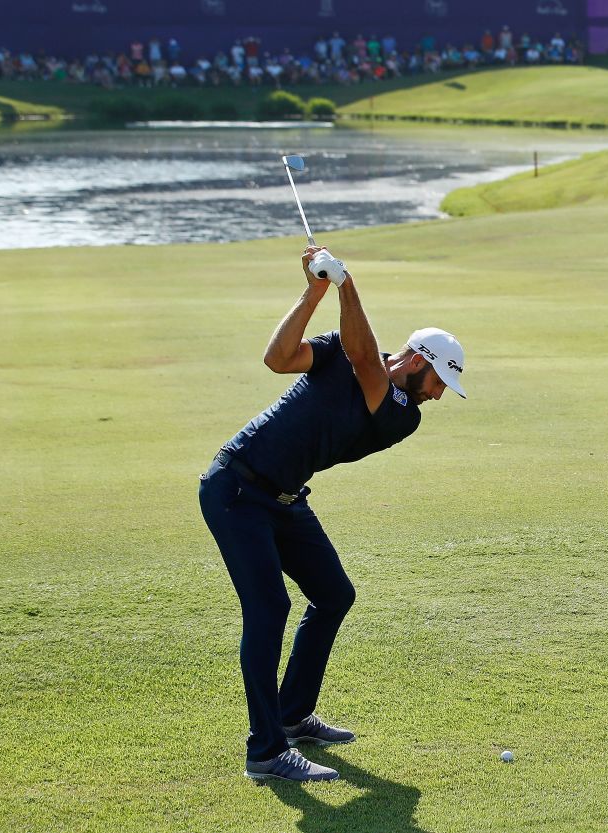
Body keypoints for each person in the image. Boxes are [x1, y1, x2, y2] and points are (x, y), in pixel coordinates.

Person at [200, 247, 467, 782]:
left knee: (334, 594)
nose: (438, 396)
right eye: (440, 381)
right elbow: (278, 358)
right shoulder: (339, 352)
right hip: (235, 488)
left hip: (284, 499)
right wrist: (317, 290)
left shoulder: (402, 415)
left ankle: (293, 715)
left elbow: (367, 362)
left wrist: (347, 284)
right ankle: (266, 751)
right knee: (270, 609)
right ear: (417, 361)